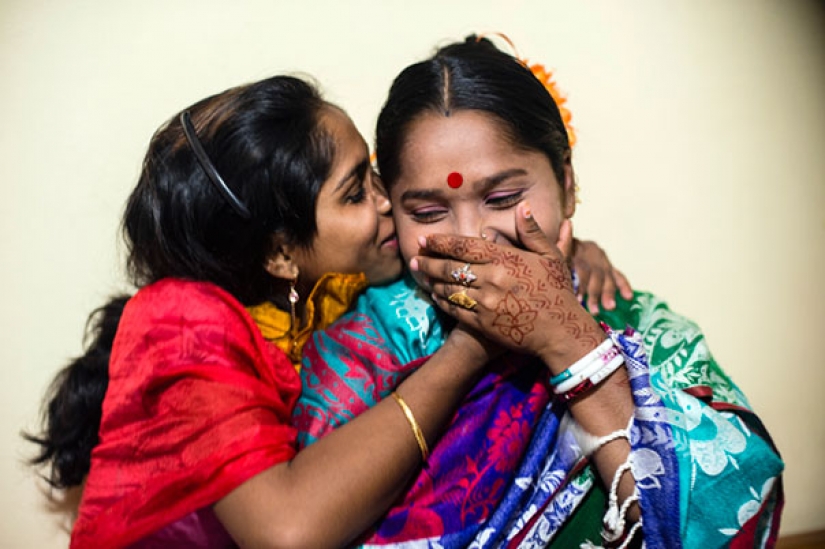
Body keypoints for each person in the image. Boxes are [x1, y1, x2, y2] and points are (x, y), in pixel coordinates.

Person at [25, 73, 627, 548]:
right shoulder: (180, 319)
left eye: (374, 174)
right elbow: (287, 531)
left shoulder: (325, 295)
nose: (389, 202)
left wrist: (574, 254)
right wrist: (471, 347)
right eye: (355, 194)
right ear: (283, 254)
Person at [291, 36, 785, 548]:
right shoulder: (364, 346)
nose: (471, 238)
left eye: (502, 198)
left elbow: (721, 519)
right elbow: (305, 524)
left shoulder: (647, 336)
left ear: (567, 187)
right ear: (390, 209)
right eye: (429, 213)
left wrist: (570, 344)